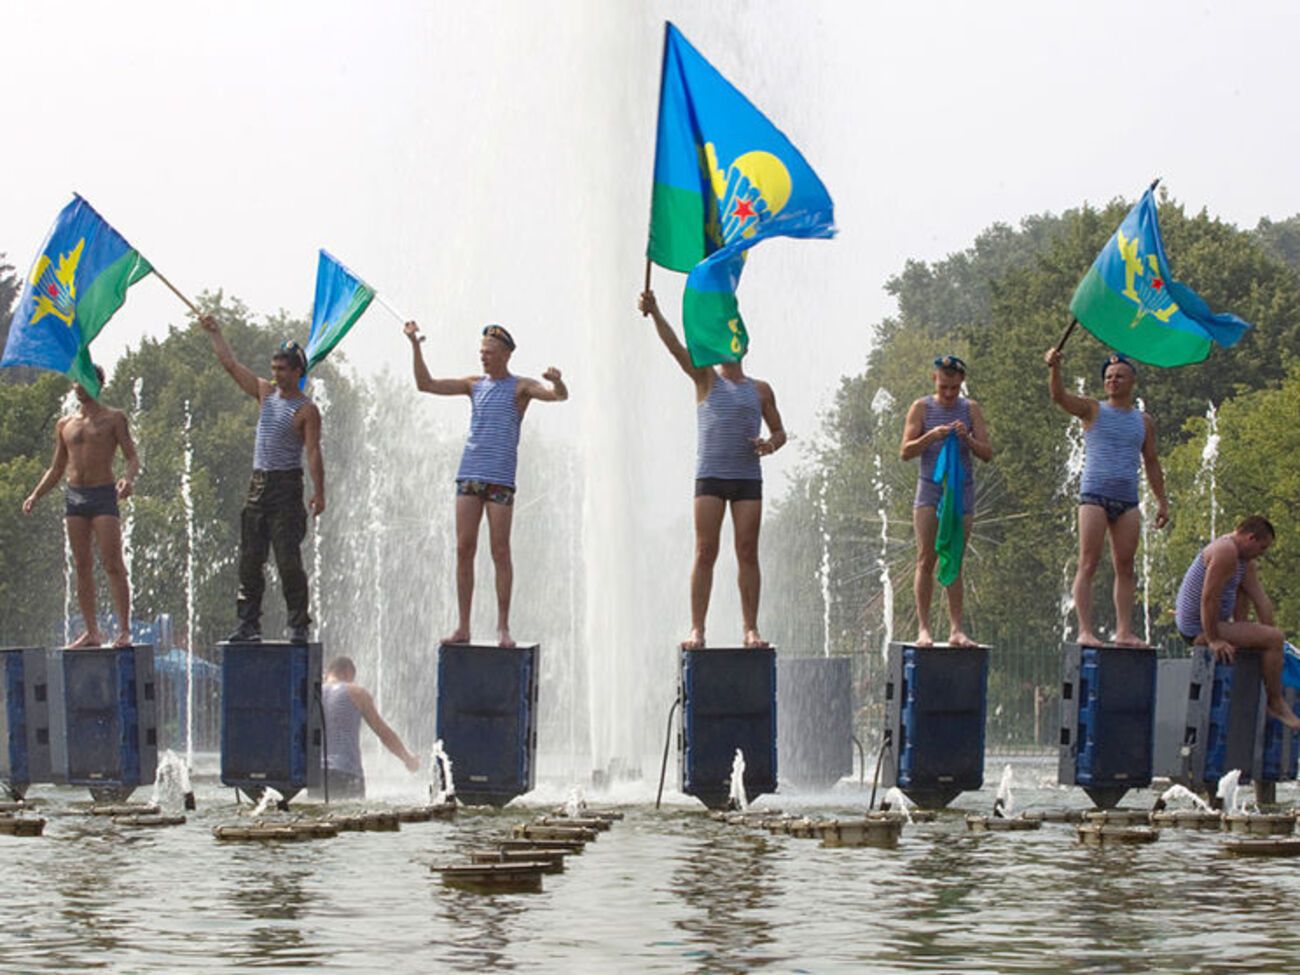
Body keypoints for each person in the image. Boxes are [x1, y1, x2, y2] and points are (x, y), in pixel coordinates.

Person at [405, 320, 568, 647]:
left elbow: (557, 397)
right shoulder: (474, 384)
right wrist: (415, 345)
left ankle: (503, 627)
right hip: (470, 474)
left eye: (490, 352)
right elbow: (426, 384)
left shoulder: (521, 387)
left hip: (500, 479)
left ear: (506, 354)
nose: (484, 357)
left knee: (500, 549)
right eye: (481, 352)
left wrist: (558, 382)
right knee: (464, 548)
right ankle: (463, 626)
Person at [638, 289, 786, 649]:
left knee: (747, 551)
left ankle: (750, 628)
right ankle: (697, 629)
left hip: (747, 478)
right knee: (706, 550)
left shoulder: (761, 389)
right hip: (711, 477)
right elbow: (676, 349)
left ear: (743, 347)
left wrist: (769, 445)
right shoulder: (706, 378)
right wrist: (656, 312)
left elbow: (780, 431)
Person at [201, 315, 324, 643]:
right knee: (250, 558)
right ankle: (248, 621)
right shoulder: (265, 394)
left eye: (283, 368)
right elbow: (230, 364)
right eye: (274, 367)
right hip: (258, 485)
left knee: (287, 559)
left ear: (298, 372)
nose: (276, 373)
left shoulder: (306, 410)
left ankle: (298, 623)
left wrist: (319, 492)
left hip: (286, 487)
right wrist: (216, 333)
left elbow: (313, 452)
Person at [1046, 349, 1168, 647]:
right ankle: (1085, 630)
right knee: (1088, 562)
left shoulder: (1143, 421)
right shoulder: (1093, 409)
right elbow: (1060, 397)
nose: (1113, 381)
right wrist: (1055, 368)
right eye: (1109, 377)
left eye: (1119, 376)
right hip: (1094, 496)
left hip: (1127, 500)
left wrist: (1162, 500)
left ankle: (1124, 630)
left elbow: (1151, 461)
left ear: (1132, 381)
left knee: (1126, 566)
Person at [23, 366, 140, 647]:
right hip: (75, 496)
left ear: (98, 384)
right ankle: (92, 632)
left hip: (102, 494)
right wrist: (35, 495)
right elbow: (56, 468)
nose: (77, 385)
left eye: (84, 380)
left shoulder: (114, 418)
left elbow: (131, 456)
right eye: (75, 380)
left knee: (112, 562)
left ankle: (124, 629)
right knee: (81, 564)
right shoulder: (65, 424)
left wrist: (127, 479)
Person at [899, 355, 992, 647]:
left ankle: (956, 629)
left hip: (961, 489)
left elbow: (987, 453)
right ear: (934, 380)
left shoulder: (970, 408)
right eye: (944, 388)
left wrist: (968, 439)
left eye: (954, 388)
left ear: (961, 382)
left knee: (955, 556)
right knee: (926, 557)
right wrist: (931, 436)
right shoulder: (921, 407)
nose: (949, 394)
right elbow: (905, 451)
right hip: (930, 489)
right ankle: (923, 628)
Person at [1174, 516, 1300, 730]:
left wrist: (1265, 634)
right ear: (1250, 538)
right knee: (1274, 639)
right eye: (1261, 548)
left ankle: (1268, 686)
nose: (1261, 554)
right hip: (1198, 627)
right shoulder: (1225, 551)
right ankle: (1275, 701)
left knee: (1268, 633)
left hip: (1214, 623)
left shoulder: (1244, 561)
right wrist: (1214, 639)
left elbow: (1261, 600)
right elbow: (1209, 598)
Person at [322, 656, 420, 799]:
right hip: (347, 772)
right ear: (347, 672)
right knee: (351, 817)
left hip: (316, 775)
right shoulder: (356, 692)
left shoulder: (312, 694)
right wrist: (408, 759)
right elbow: (383, 732)